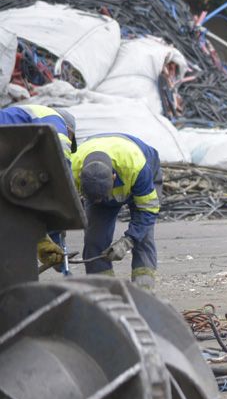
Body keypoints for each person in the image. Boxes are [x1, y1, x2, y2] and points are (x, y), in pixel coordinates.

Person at [71, 133, 162, 290]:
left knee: (143, 238)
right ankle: (103, 290)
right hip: (103, 177)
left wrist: (129, 241)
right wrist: (54, 243)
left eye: (102, 197)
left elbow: (148, 210)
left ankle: (144, 291)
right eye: (95, 199)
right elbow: (57, 208)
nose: (100, 202)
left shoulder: (136, 166)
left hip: (142, 175)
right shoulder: (71, 169)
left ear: (113, 177)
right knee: (94, 240)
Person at [1, 104, 76, 271]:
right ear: (69, 130)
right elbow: (61, 171)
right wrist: (65, 210)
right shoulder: (56, 122)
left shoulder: (23, 118)